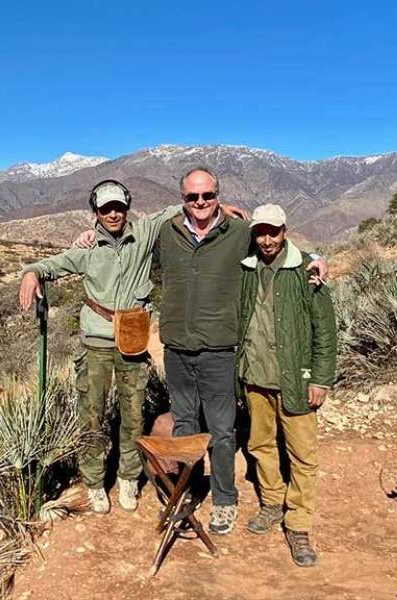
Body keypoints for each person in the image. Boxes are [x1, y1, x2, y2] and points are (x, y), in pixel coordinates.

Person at [21, 179, 245, 514]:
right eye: (105, 208)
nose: (113, 214)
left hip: (134, 341)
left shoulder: (143, 233)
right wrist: (31, 273)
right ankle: (95, 482)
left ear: (127, 207)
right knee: (92, 416)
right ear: (95, 212)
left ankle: (128, 478)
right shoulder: (86, 248)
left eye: (118, 207)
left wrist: (217, 209)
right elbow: (53, 265)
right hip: (96, 341)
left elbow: (180, 207)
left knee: (133, 415)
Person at [156, 167, 328, 535]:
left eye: (207, 195)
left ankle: (224, 499)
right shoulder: (166, 234)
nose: (200, 203)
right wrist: (89, 237)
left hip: (219, 350)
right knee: (185, 426)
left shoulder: (237, 233)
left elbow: (278, 247)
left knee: (221, 430)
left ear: (218, 195)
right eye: (192, 197)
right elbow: (126, 251)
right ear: (182, 199)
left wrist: (317, 256)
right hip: (176, 350)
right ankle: (187, 494)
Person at [236, 203, 337, 567]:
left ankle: (298, 524)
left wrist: (322, 378)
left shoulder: (305, 270)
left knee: (302, 455)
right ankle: (272, 503)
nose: (266, 239)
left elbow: (324, 330)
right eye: (260, 232)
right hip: (255, 378)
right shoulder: (247, 268)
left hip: (295, 379)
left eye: (273, 232)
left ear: (285, 231)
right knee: (261, 445)